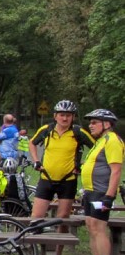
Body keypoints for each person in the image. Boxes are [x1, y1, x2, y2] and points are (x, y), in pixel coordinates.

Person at [28, 101, 95, 236]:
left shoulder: (78, 132)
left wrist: (83, 165)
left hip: (68, 180)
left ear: (73, 117)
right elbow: (32, 142)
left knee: (63, 219)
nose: (65, 118)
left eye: (68, 115)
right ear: (55, 116)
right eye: (62, 115)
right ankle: (35, 252)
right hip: (46, 178)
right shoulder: (46, 130)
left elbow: (96, 148)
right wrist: (36, 160)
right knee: (35, 218)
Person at [78, 109, 123, 255]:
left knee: (99, 228)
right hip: (91, 191)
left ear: (107, 124)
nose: (91, 125)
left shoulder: (112, 141)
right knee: (91, 227)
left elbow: (116, 170)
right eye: (90, 122)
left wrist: (109, 196)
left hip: (101, 191)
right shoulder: (100, 141)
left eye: (94, 122)